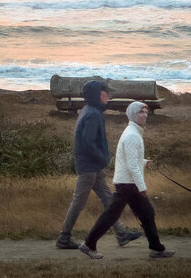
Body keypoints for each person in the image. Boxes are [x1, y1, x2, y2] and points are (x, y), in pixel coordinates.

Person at [79, 101, 174, 259]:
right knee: (114, 215)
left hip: (128, 183)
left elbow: (130, 158)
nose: (144, 115)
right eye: (140, 112)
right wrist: (142, 186)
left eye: (145, 112)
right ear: (132, 115)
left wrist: (144, 162)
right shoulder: (132, 135)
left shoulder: (133, 132)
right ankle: (89, 244)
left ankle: (157, 248)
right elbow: (131, 165)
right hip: (128, 184)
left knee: (146, 213)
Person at [55, 80, 141, 249]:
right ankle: (64, 238)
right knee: (79, 201)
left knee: (108, 198)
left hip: (92, 166)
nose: (108, 96)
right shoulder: (93, 114)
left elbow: (90, 141)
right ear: (96, 94)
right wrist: (103, 158)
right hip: (89, 166)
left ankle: (121, 233)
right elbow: (88, 142)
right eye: (105, 92)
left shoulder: (89, 110)